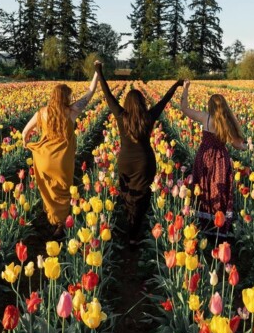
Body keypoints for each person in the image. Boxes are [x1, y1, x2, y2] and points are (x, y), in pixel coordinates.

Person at [94, 61, 183, 247]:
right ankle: (136, 233)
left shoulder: (121, 116)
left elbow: (108, 94)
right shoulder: (148, 117)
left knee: (127, 194)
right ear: (142, 103)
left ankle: (129, 225)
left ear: (127, 103)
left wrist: (99, 70)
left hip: (126, 161)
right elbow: (165, 100)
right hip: (145, 161)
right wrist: (176, 84)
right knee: (142, 195)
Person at [22, 72, 99, 238]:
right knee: (64, 192)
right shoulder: (72, 112)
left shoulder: (41, 113)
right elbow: (90, 92)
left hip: (44, 158)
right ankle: (61, 224)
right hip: (63, 160)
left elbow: (25, 133)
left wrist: (26, 143)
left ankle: (50, 215)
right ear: (65, 98)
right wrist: (97, 73)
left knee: (48, 187)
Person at [180, 80, 247, 236]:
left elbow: (184, 108)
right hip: (220, 159)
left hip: (204, 157)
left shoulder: (205, 118)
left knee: (203, 187)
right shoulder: (227, 124)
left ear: (210, 106)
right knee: (219, 188)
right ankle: (219, 223)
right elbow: (237, 145)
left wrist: (185, 89)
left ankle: (203, 223)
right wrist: (245, 147)